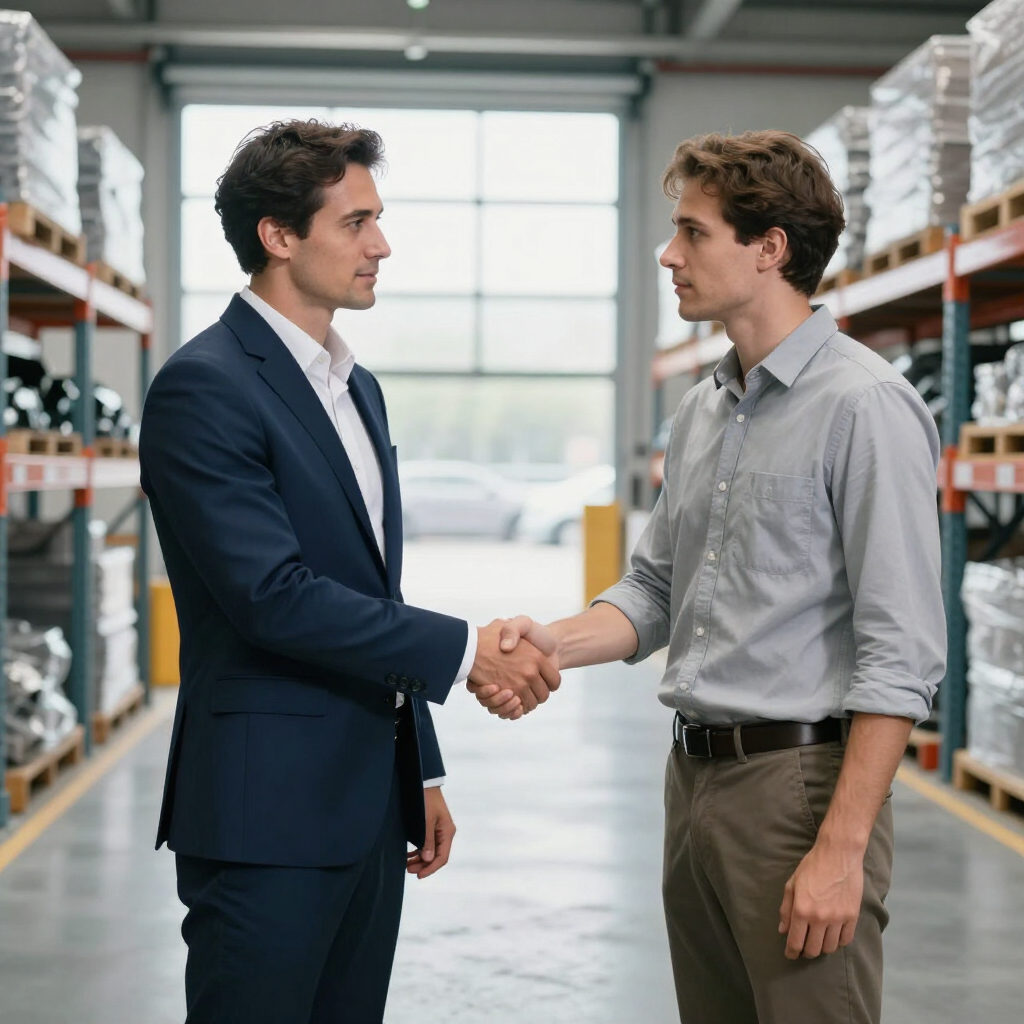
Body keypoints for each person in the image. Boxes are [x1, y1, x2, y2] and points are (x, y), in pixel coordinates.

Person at [477, 130, 946, 1024]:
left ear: (769, 249)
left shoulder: (865, 407)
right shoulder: (702, 409)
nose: (669, 253)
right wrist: (548, 643)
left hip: (799, 789)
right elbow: (657, 589)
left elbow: (901, 655)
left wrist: (841, 848)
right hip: (693, 781)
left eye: (693, 232)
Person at [139, 119, 559, 1024]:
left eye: (379, 220)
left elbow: (371, 593)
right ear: (279, 237)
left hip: (368, 800)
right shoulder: (205, 384)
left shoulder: (352, 386)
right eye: (356, 223)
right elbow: (271, 597)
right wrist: (466, 650)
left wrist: (423, 770)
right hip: (266, 814)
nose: (382, 245)